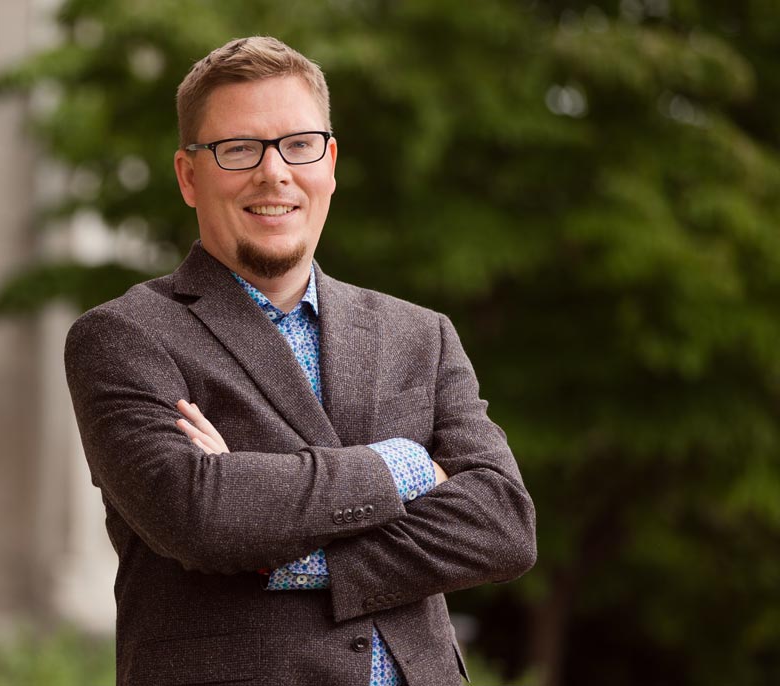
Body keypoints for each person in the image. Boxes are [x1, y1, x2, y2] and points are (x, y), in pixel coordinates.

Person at [62, 36, 537, 685]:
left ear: (330, 161)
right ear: (188, 175)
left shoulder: (420, 334)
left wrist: (292, 547)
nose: (274, 172)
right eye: (239, 149)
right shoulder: (125, 337)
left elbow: (503, 523)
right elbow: (201, 514)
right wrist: (399, 467)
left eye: (298, 144)